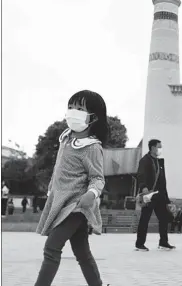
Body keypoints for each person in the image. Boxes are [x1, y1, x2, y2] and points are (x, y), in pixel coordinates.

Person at [34, 90, 108, 286]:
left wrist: (91, 194)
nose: (73, 111)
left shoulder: (91, 147)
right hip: (60, 202)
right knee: (82, 252)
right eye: (71, 107)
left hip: (75, 207)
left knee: (52, 248)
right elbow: (58, 169)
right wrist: (51, 190)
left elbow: (98, 178)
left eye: (80, 108)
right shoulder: (66, 138)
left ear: (93, 117)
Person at [135, 139, 175, 251]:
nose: (160, 149)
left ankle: (163, 242)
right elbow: (140, 175)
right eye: (159, 147)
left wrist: (166, 199)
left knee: (164, 218)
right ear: (152, 148)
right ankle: (139, 244)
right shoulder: (145, 160)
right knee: (145, 219)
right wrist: (143, 187)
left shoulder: (159, 162)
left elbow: (163, 181)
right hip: (149, 194)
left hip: (160, 195)